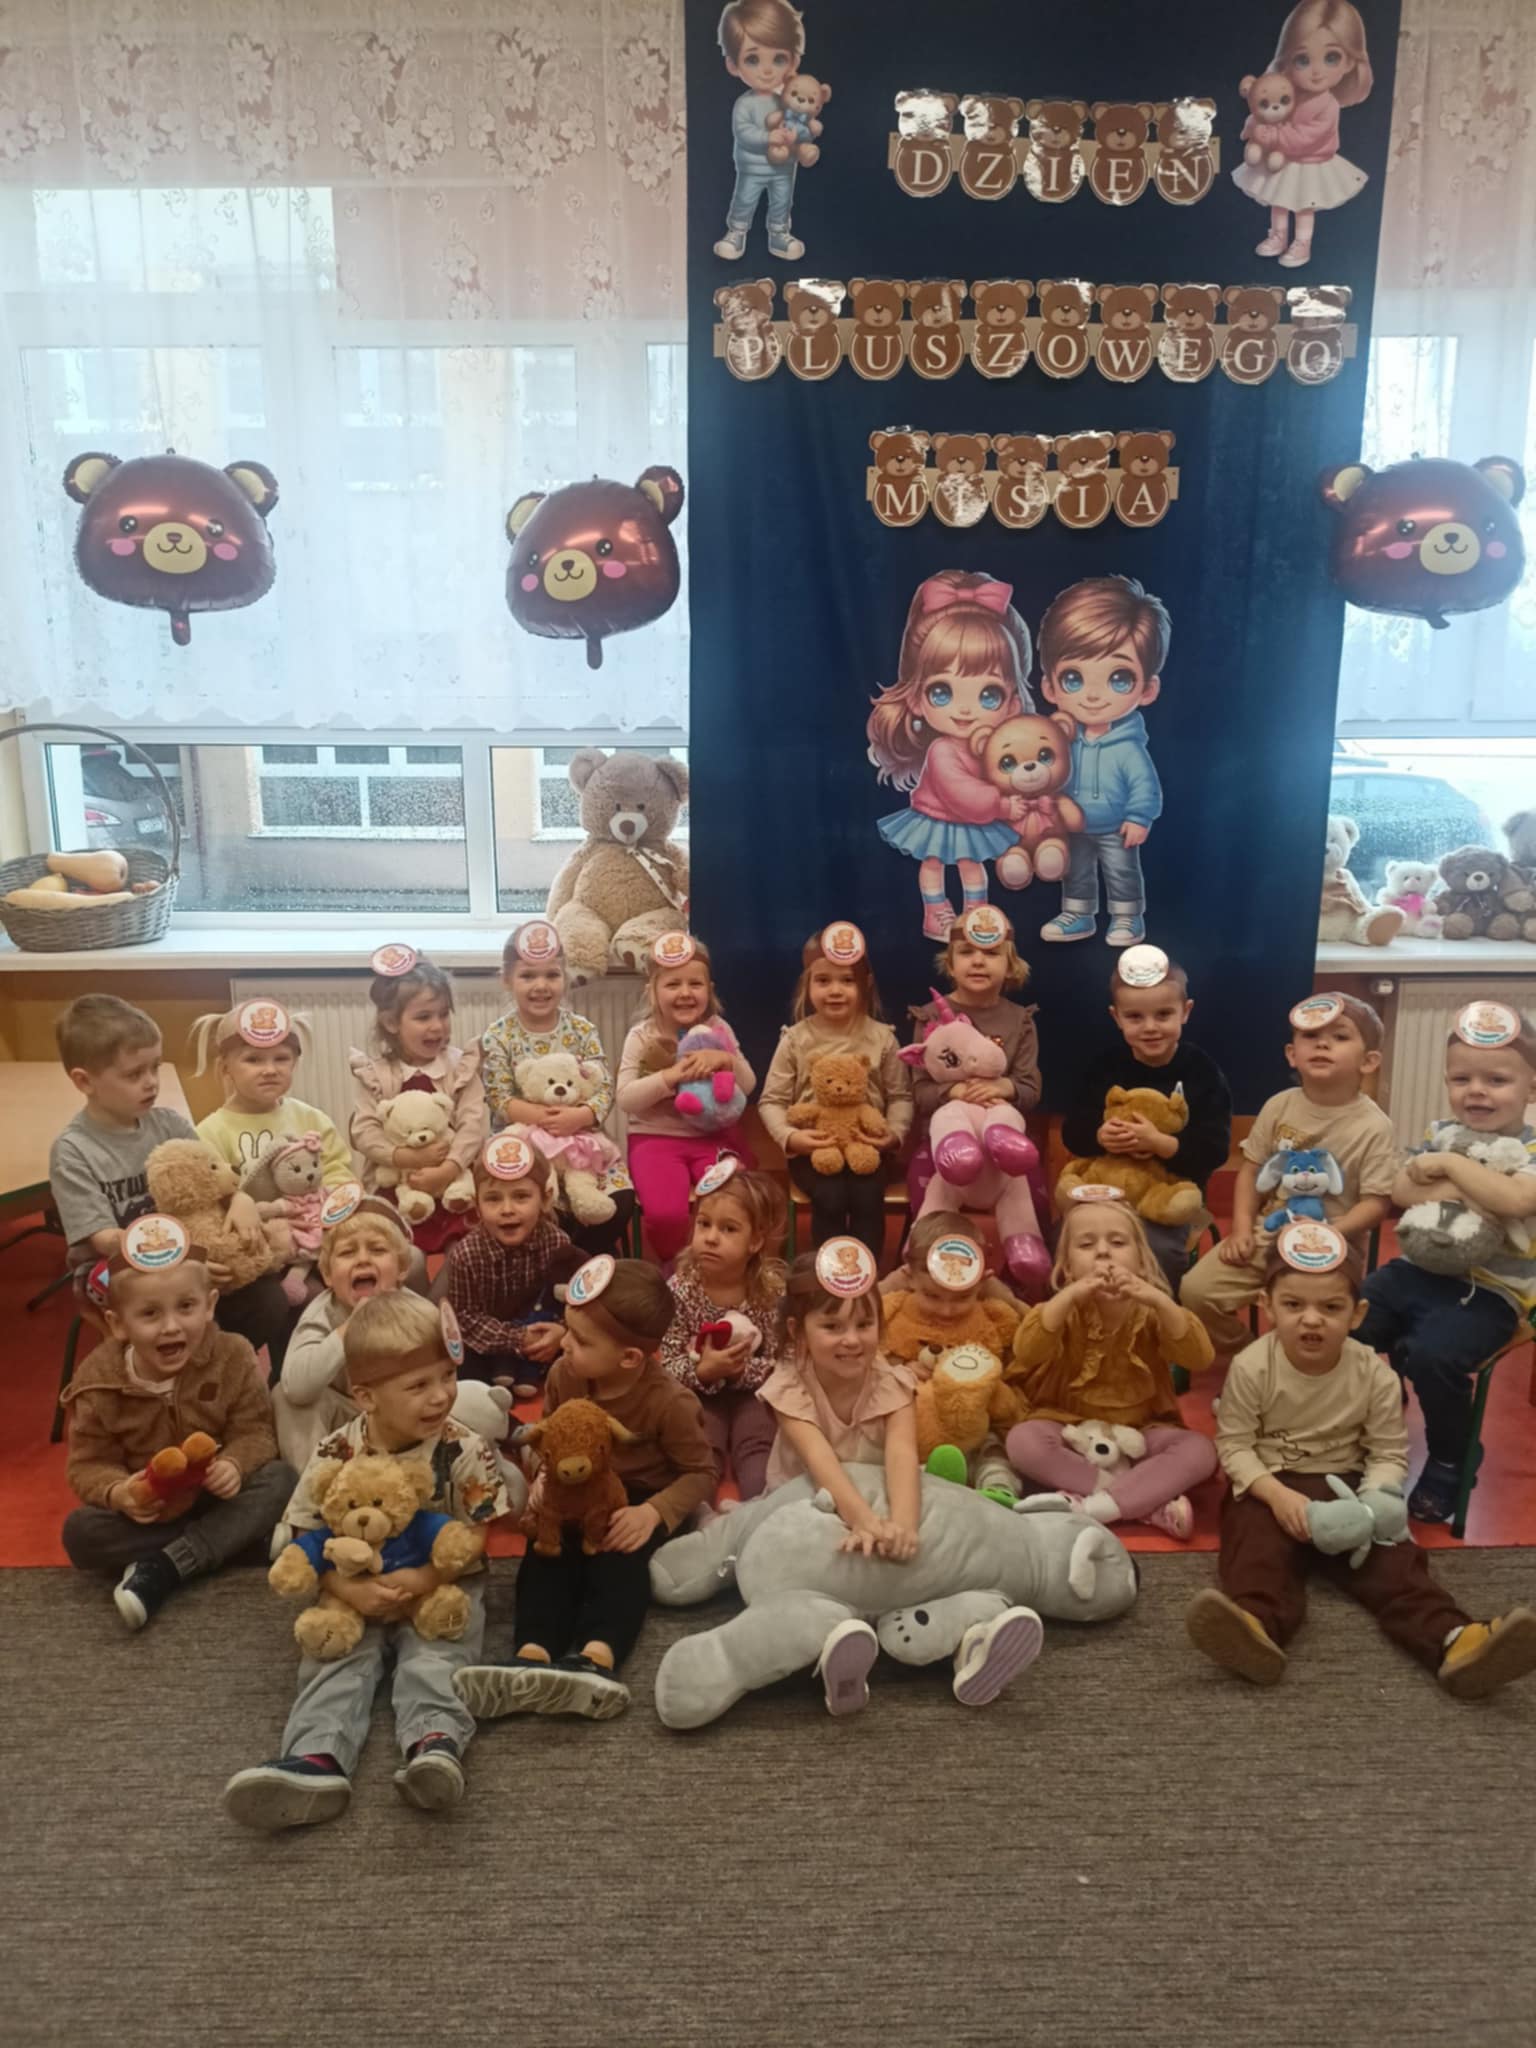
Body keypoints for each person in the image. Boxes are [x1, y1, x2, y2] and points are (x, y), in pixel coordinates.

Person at [1187, 1224, 1536, 1697]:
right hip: (1272, 1483)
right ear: (1267, 1307)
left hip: (1347, 1487)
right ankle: (1254, 1626)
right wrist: (1276, 1495)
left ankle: (1455, 1639)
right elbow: (1234, 1447)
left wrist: (1375, 1500)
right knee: (1255, 1551)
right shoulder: (1252, 1366)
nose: (1311, 1320)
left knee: (1396, 1564)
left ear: (1358, 1314)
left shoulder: (1375, 1374)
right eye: (1293, 1305)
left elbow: (1387, 1453)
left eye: (1331, 1308)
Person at [223, 1292, 510, 1829]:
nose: (441, 1396)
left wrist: (425, 1577)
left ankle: (434, 1743)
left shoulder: (464, 1447)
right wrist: (346, 1588)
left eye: (447, 1376)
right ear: (366, 1396)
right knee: (334, 1659)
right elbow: (306, 1530)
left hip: (438, 1584)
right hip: (353, 1582)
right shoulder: (336, 1450)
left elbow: (476, 1531)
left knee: (437, 1656)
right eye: (418, 1386)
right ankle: (316, 1758)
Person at [453, 1256, 715, 1722]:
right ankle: (532, 1652)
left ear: (629, 1358)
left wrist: (652, 1513)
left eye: (581, 1340)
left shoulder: (670, 1402)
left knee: (618, 1562)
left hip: (637, 1498)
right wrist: (541, 1476)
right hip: (572, 1490)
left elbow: (700, 1472)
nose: (564, 1343)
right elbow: (547, 1440)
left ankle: (597, 1657)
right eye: (567, 1330)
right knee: (546, 1552)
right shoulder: (563, 1375)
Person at [60, 1219, 292, 1629]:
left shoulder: (233, 1354)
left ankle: (165, 1567)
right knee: (80, 1534)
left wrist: (235, 1464)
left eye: (186, 1307)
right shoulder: (97, 1380)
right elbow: (87, 1465)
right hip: (150, 1514)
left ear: (209, 1305)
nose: (171, 1326)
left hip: (217, 1497)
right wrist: (120, 1492)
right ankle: (233, 1544)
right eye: (150, 1313)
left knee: (280, 1479)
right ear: (118, 1324)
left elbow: (256, 1432)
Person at [1356, 1003, 1536, 1523]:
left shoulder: (1528, 1149)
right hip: (1420, 1271)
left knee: (1433, 1356)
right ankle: (1347, 1425)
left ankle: (1451, 1459)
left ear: (1531, 1087)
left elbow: (1516, 1200)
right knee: (1350, 1317)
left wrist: (1450, 1167)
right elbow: (1401, 1188)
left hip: (1493, 1293)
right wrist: (1470, 1184)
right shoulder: (1442, 1133)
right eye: (1462, 1079)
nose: (1476, 1091)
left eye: (1497, 1080)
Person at [48, 993, 286, 1366]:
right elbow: (104, 1238)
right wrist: (185, 1261)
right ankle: (194, 1368)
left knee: (270, 1298)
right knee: (176, 1310)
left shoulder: (169, 1124)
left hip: (189, 1252)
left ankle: (220, 1367)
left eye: (155, 1068)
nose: (151, 1083)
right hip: (114, 1265)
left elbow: (216, 1179)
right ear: (84, 1081)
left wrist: (241, 1200)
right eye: (134, 1074)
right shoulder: (73, 1151)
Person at [1181, 991, 1397, 1356]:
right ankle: (1252, 1356)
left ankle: (1295, 1365)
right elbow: (1251, 1172)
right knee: (1195, 1292)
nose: (1323, 1044)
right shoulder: (1278, 1105)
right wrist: (1241, 1228)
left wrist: (1329, 1233)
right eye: (1311, 1036)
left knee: (1309, 1318)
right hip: (1267, 1235)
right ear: (1292, 1054)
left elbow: (1376, 1204)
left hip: (1334, 1246)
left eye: (1340, 1036)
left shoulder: (1374, 1126)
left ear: (1369, 1061)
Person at [1005, 1191, 1216, 1538]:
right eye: (1086, 1244)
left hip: (1142, 1434)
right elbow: (1026, 1351)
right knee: (1023, 1441)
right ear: (1067, 1267)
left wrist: (1161, 1301)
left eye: (1117, 1242)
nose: (1103, 1252)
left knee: (1200, 1451)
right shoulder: (1063, 1309)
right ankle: (1143, 1501)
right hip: (1069, 1430)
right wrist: (1068, 1296)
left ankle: (1095, 1506)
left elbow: (1200, 1357)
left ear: (1142, 1262)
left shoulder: (1152, 1311)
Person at [865, 570, 1032, 938]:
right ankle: (935, 909)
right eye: (942, 692)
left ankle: (976, 910)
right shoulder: (942, 750)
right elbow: (962, 792)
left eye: (988, 695)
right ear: (916, 698)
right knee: (934, 862)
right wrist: (1002, 805)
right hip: (939, 815)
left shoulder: (992, 746)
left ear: (1012, 703)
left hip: (974, 817)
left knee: (971, 864)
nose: (966, 710)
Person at [1060, 946, 1232, 1292]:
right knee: (1066, 1241)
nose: (1150, 1028)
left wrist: (1162, 1144)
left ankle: (1154, 1313)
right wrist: (1100, 1136)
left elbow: (1214, 1148)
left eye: (1164, 1014)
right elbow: (1073, 1132)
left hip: (1169, 1198)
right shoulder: (1105, 1067)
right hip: (1105, 1195)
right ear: (1117, 1018)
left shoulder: (1201, 1072)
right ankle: (1083, 1313)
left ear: (1185, 1012)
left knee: (1155, 1250)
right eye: (1135, 1017)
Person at [479, 919, 636, 1258]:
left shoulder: (581, 1029)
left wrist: (578, 1117)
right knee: (546, 1210)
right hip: (524, 1145)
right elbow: (499, 1098)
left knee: (620, 1202)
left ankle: (580, 1258)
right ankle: (564, 1261)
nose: (541, 986)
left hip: (582, 1142)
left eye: (552, 975)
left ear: (565, 977)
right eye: (527, 976)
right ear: (507, 980)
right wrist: (546, 1120)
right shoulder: (498, 1036)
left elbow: (603, 1086)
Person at [759, 924, 911, 1258]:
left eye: (847, 980)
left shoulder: (883, 1038)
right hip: (813, 1150)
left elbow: (901, 1096)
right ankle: (827, 1273)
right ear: (807, 985)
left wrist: (893, 1135)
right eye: (823, 981)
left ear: (865, 984)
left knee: (867, 1197)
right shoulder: (795, 1039)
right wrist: (790, 1138)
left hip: (867, 1148)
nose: (835, 991)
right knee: (830, 1196)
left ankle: (865, 1274)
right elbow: (772, 1100)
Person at [1037, 574, 1169, 948]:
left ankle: (1127, 916)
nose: (1093, 695)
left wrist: (1139, 817)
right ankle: (1077, 913)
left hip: (1117, 827)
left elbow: (1145, 785)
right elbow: (1050, 775)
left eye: (1119, 678)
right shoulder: (1060, 739)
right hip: (1073, 826)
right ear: (1050, 687)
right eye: (1074, 678)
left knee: (1121, 872)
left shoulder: (1128, 747)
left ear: (1148, 689)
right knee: (1075, 871)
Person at [615, 932, 756, 1263]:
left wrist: (726, 1060)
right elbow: (626, 1098)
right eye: (672, 984)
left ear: (709, 990)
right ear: (652, 991)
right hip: (655, 1140)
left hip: (713, 1137)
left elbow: (748, 1085)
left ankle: (721, 1264)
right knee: (666, 1215)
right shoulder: (641, 1036)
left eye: (695, 984)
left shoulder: (718, 1029)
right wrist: (671, 1077)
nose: (685, 993)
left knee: (733, 1199)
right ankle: (677, 1266)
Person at [273, 1193, 432, 1471]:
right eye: (347, 1253)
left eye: (377, 1250)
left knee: (469, 1401)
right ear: (328, 1275)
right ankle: (318, 1484)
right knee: (285, 1398)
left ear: (402, 1268)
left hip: (401, 1418)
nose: (362, 1260)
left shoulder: (419, 1312)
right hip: (342, 1421)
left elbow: (442, 1383)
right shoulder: (322, 1313)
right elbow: (296, 1387)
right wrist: (347, 1330)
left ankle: (421, 1478)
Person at [660, 1160, 785, 1504]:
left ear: (755, 1241)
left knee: (758, 1443)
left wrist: (742, 1372)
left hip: (754, 1393)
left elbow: (783, 1361)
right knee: (701, 1445)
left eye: (729, 1229)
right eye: (704, 1224)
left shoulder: (770, 1292)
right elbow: (667, 1363)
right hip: (698, 1390)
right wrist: (703, 1371)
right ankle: (699, 1512)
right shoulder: (680, 1289)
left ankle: (759, 1509)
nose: (711, 1238)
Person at [349, 949, 486, 1257]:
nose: (437, 1026)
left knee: (464, 1249)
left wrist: (448, 1169)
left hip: (453, 1183)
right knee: (397, 1252)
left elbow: (473, 1125)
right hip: (398, 1185)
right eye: (424, 1017)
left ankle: (452, 1284)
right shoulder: (376, 1075)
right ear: (391, 1022)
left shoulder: (460, 1068)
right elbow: (364, 1131)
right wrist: (403, 1157)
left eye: (443, 1014)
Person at [880, 1209, 1021, 1498]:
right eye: (932, 1295)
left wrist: (1002, 1294)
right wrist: (897, 1367)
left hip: (972, 1424)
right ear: (909, 1278)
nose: (946, 1310)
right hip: (910, 1423)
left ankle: (997, 1488)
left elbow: (1031, 1332)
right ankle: (923, 1480)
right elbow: (859, 1319)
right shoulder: (895, 1308)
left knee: (992, 1448)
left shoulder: (989, 1316)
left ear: (981, 1283)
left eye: (962, 1297)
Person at [1232, 0, 1372, 268]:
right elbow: (1269, 112)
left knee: (1304, 205)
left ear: (1350, 62)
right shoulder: (1288, 91)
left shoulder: (1328, 105)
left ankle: (1302, 242)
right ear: (1287, 60)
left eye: (1331, 58)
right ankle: (1278, 235)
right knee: (1279, 200)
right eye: (1303, 60)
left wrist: (1272, 137)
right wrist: (1254, 127)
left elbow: (1306, 138)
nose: (1316, 72)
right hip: (1283, 160)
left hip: (1311, 163)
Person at [439, 1137, 583, 1398]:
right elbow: (465, 1319)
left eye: (521, 1196)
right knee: (466, 1380)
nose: (507, 1209)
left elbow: (575, 1301)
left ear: (545, 1199)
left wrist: (562, 1330)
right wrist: (518, 1338)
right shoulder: (466, 1255)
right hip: (489, 1344)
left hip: (547, 1336)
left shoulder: (558, 1243)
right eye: (493, 1199)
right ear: (477, 1206)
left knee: (587, 1361)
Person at [191, 998, 352, 1187]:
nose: (270, 1070)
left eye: (281, 1058)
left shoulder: (313, 1120)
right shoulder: (209, 1134)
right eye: (253, 1060)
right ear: (225, 1068)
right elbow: (210, 1193)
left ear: (294, 1063)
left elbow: (338, 1174)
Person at [713, 0, 811, 263]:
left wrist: (799, 137)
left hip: (784, 167)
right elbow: (744, 133)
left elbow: (800, 125)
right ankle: (736, 232)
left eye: (778, 59)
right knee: (744, 199)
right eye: (753, 59)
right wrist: (768, 138)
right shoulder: (745, 104)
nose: (767, 70)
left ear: (793, 62)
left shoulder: (788, 100)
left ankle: (779, 233)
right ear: (733, 65)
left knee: (782, 201)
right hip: (752, 167)